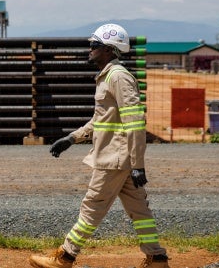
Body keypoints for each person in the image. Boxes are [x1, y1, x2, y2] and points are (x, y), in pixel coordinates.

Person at [28, 23, 169, 268]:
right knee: (140, 211)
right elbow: (100, 121)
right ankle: (156, 259)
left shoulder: (118, 77)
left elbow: (135, 122)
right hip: (119, 159)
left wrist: (138, 165)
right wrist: (71, 139)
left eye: (94, 45)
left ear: (109, 50)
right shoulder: (107, 77)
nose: (89, 49)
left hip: (114, 159)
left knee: (92, 206)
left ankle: (65, 256)